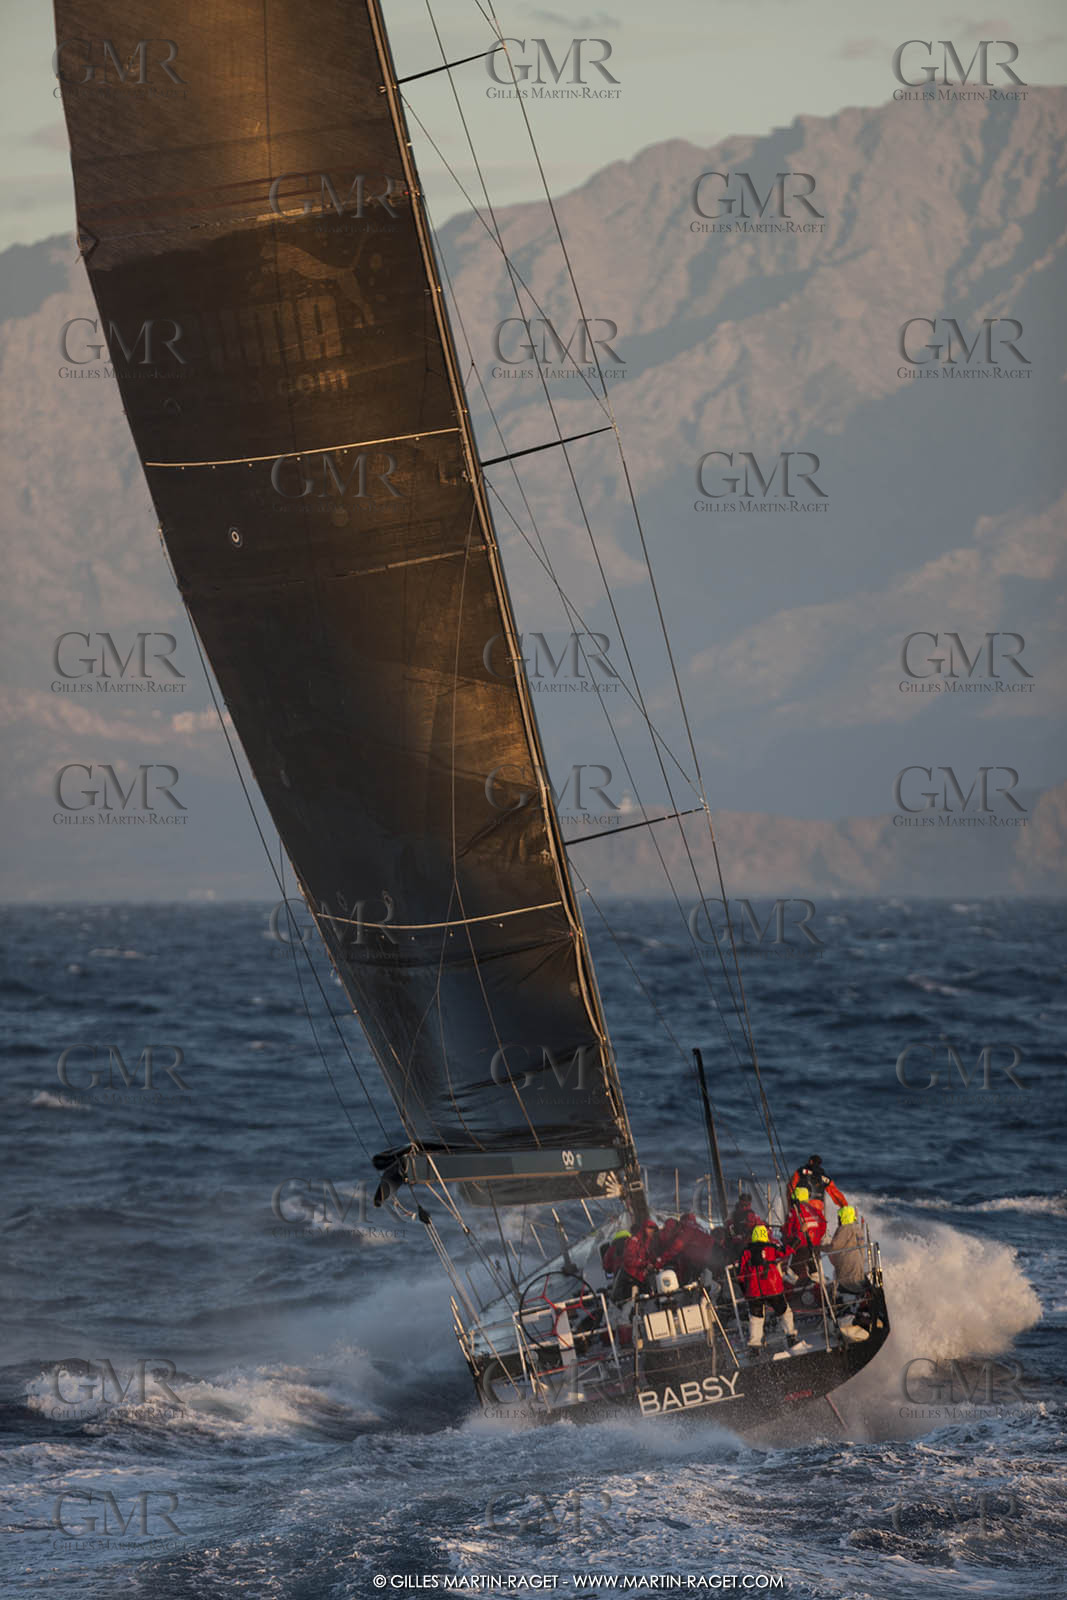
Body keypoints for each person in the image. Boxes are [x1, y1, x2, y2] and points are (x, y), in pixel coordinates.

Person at [736, 1225, 798, 1352]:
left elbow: (740, 1274)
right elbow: (785, 1251)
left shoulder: (746, 1252)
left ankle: (755, 1346)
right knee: (784, 1311)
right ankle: (790, 1335)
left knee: (756, 1318)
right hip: (772, 1288)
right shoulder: (770, 1248)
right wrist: (798, 1238)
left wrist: (744, 1291)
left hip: (754, 1292)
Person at [783, 1185, 827, 1280]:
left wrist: (787, 1238)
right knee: (814, 1269)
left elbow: (788, 1232)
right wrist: (817, 1238)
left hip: (800, 1246)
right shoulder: (816, 1210)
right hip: (815, 1247)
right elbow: (823, 1226)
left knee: (794, 1270)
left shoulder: (794, 1211)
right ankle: (816, 1283)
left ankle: (800, 1287)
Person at [611, 1217, 658, 1300]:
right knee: (627, 1301)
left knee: (650, 1296)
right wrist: (645, 1264)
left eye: (653, 1229)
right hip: (631, 1276)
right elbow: (629, 1260)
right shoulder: (634, 1241)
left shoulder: (648, 1241)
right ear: (644, 1228)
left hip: (641, 1275)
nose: (652, 1231)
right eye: (650, 1228)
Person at [827, 1205, 866, 1293]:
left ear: (843, 1217)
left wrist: (818, 1248)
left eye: (839, 1217)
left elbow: (834, 1246)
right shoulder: (858, 1229)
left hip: (847, 1275)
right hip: (859, 1270)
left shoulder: (845, 1229)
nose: (838, 1220)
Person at [727, 1192, 764, 1260]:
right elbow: (730, 1229)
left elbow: (762, 1229)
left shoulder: (754, 1216)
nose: (744, 1207)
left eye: (747, 1205)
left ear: (750, 1204)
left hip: (751, 1243)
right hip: (739, 1244)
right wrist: (737, 1237)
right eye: (742, 1205)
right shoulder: (733, 1216)